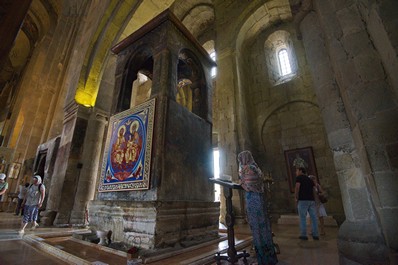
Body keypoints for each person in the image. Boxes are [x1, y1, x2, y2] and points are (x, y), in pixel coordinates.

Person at [238, 150, 278, 265]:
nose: (240, 162)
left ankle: (262, 260)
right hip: (260, 199)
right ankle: (270, 257)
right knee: (264, 228)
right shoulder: (256, 167)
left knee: (257, 229)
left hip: (253, 201)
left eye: (241, 160)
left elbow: (247, 185)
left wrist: (241, 181)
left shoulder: (248, 169)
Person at [294, 167, 319, 240]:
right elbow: (314, 190)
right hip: (311, 200)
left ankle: (303, 235)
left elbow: (297, 187)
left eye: (297, 171)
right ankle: (315, 234)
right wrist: (315, 200)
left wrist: (296, 197)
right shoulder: (310, 179)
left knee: (302, 218)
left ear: (300, 171)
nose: (296, 172)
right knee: (314, 218)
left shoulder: (299, 178)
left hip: (303, 200)